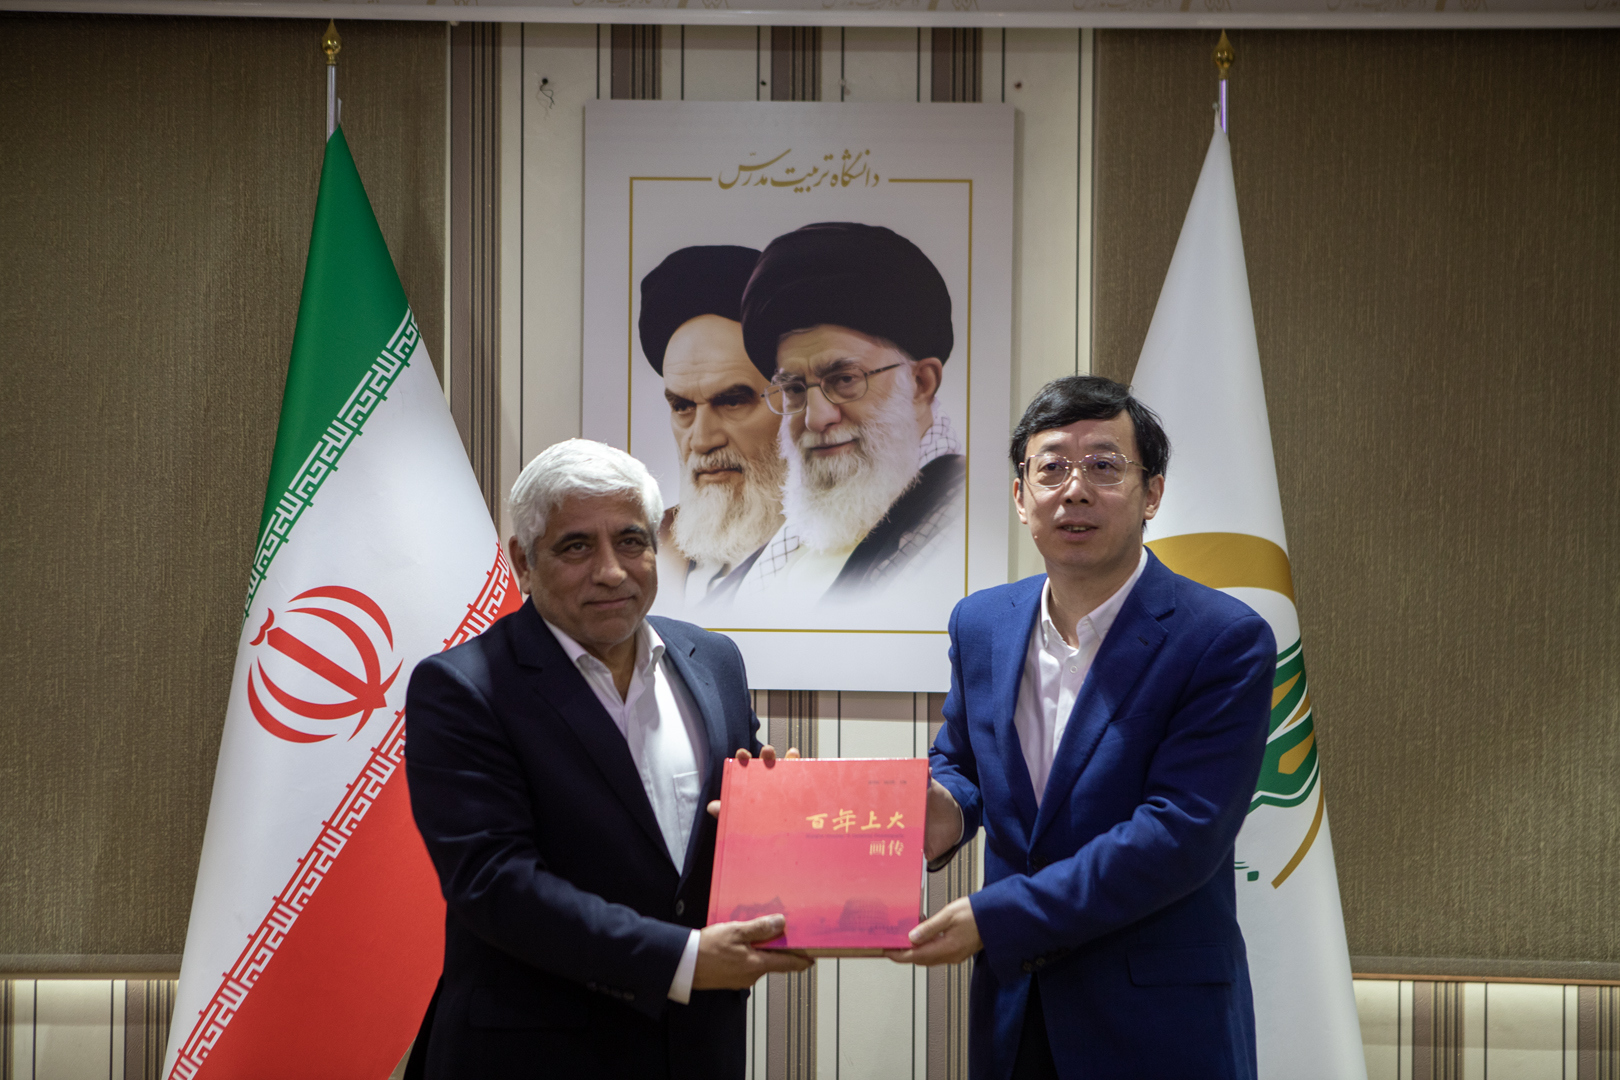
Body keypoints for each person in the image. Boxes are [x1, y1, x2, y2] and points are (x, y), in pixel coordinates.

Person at [891, 376, 1275, 1080]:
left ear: (1152, 493)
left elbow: (1180, 834)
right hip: (1016, 1017)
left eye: (1104, 466)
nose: (1074, 490)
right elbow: (964, 766)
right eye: (1052, 468)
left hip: (1156, 1022)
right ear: (1020, 495)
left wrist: (999, 918)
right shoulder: (981, 624)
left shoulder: (1221, 639)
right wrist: (930, 810)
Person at [404, 439, 810, 1080]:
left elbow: (710, 855)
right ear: (524, 561)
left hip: (699, 1047)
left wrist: (778, 818)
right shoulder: (463, 688)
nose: (612, 571)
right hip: (536, 1054)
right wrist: (682, 960)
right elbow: (496, 884)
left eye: (630, 541)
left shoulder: (714, 661)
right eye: (576, 547)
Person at [734, 222, 965, 603]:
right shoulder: (774, 552)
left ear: (920, 383)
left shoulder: (957, 522)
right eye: (794, 389)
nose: (816, 418)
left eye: (844, 379)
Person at [638, 246, 785, 606]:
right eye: (683, 407)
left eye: (732, 401)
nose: (702, 440)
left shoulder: (863, 552)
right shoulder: (643, 548)